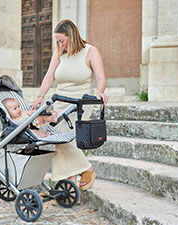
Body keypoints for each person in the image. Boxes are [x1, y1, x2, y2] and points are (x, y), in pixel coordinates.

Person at [32, 19, 108, 191]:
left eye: (62, 40)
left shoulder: (90, 51)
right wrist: (40, 96)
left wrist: (100, 92)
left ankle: (84, 170)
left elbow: (100, 78)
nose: (59, 44)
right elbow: (49, 76)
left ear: (72, 36)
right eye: (57, 41)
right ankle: (70, 187)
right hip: (60, 102)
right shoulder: (59, 53)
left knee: (65, 139)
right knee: (61, 140)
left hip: (80, 103)